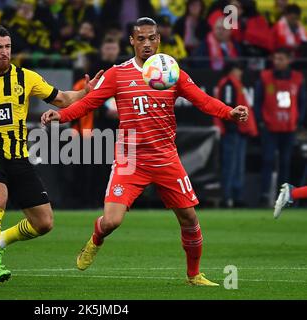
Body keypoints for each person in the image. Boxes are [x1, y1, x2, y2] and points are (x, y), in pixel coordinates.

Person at [41, 17, 249, 286]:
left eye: (152, 38)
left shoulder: (172, 71)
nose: (147, 43)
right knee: (112, 222)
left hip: (165, 156)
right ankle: (96, 238)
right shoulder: (117, 73)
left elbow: (203, 100)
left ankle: (194, 275)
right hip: (130, 158)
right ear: (132, 41)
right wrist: (61, 116)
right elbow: (89, 102)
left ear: (159, 40)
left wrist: (229, 113)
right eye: (141, 38)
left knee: (189, 218)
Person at [0, 25, 103, 286]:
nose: (4, 52)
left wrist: (85, 92)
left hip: (18, 157)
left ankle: (0, 239)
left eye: (8, 47)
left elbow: (63, 99)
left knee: (44, 223)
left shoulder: (26, 78)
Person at [254, 47, 306, 206]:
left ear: (289, 60)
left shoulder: (298, 78)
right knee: (268, 161)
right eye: (275, 58)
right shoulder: (265, 77)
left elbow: (303, 103)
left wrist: (298, 121)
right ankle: (264, 196)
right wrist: (261, 122)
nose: (277, 62)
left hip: (289, 128)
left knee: (285, 162)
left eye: (281, 59)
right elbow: (257, 102)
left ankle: (283, 198)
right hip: (270, 128)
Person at [213, 61, 258, 208]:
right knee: (231, 166)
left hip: (239, 132)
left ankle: (236, 196)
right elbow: (228, 105)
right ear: (232, 71)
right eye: (238, 69)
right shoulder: (228, 84)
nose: (240, 73)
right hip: (233, 132)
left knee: (237, 166)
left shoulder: (234, 83)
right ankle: (227, 197)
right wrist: (232, 128)